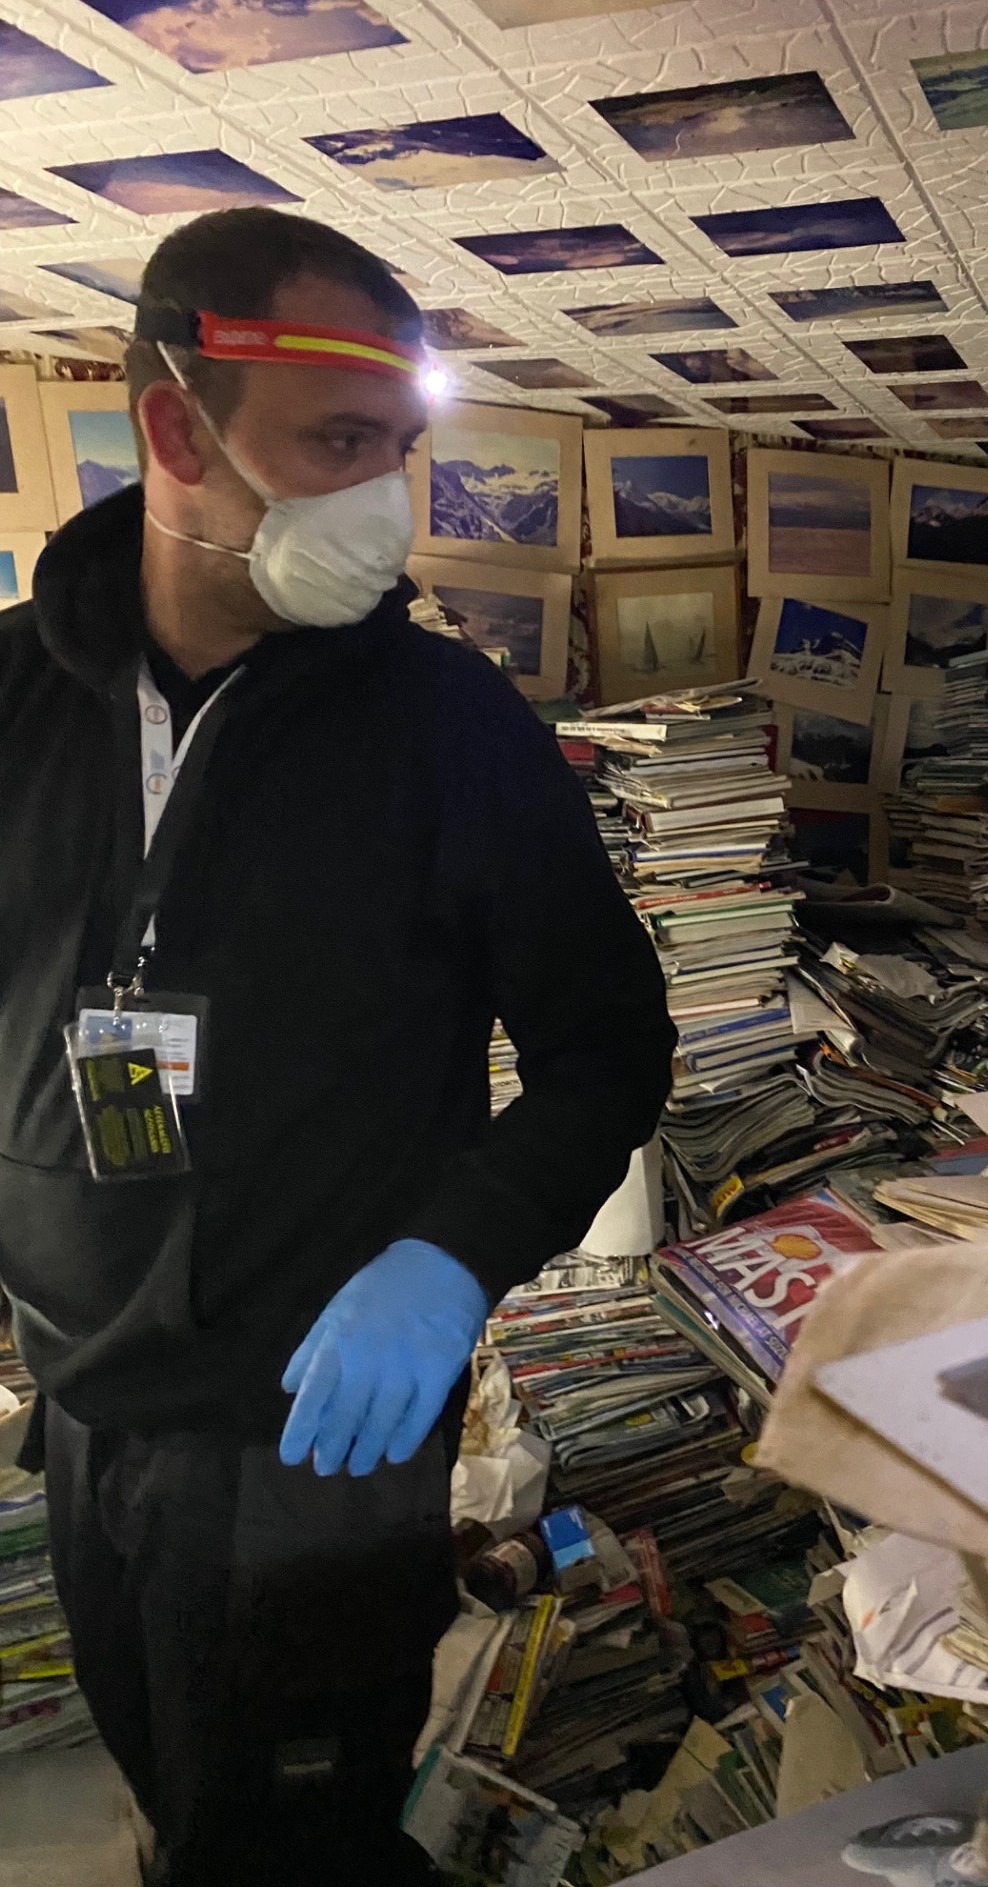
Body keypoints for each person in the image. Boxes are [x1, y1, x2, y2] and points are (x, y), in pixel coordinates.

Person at [0, 207, 676, 1884]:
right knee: (165, 1773)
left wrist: (452, 1259)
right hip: (85, 1404)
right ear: (176, 428)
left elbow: (608, 1044)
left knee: (296, 1829)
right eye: (338, 443)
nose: (387, 499)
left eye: (401, 449)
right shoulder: (7, 701)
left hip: (326, 1433)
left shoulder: (448, 729)